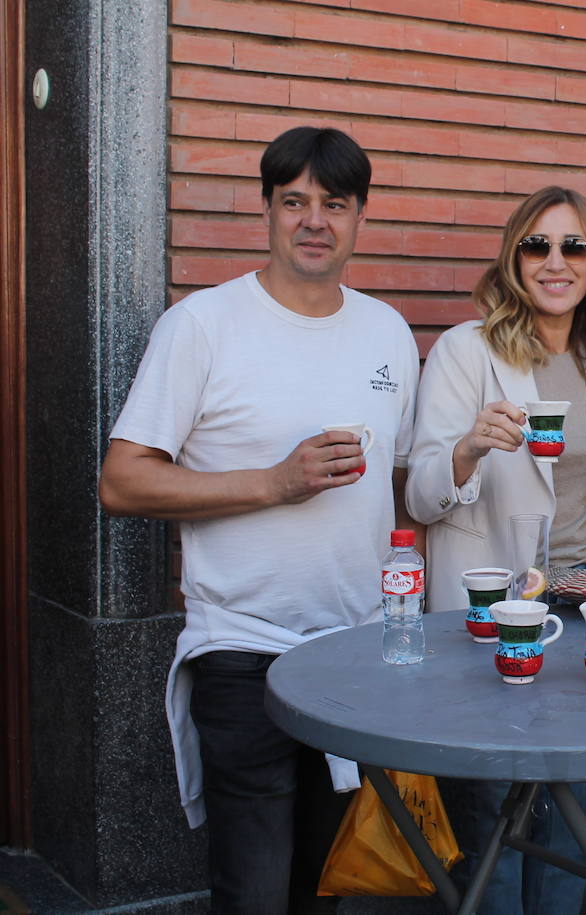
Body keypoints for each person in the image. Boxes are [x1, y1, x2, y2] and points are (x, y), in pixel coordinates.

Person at [99, 126, 421, 913]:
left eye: (334, 204)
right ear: (268, 210)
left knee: (325, 882)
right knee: (254, 890)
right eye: (295, 202)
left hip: (354, 653)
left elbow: (400, 485)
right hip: (244, 650)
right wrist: (275, 482)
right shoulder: (203, 325)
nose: (315, 220)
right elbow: (122, 481)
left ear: (359, 218)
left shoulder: (388, 331)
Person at [405, 186, 586, 915]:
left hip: (582, 601)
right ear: (513, 259)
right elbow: (420, 497)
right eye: (537, 245)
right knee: (496, 808)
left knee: (582, 804)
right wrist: (467, 450)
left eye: (573, 246)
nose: (555, 261)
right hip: (497, 608)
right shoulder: (469, 352)